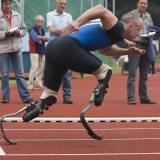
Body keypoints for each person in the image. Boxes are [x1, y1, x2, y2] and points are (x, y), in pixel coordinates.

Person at [23, 4, 145, 122]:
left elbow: (105, 50)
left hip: (53, 48)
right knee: (105, 71)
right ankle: (100, 88)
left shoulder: (115, 33)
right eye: (138, 29)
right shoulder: (118, 26)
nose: (139, 34)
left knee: (50, 95)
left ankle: (36, 107)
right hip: (68, 45)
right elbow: (100, 9)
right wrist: (76, 22)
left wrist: (127, 51)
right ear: (130, 27)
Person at [0, 0, 32, 103]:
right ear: (2, 5)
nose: (8, 6)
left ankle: (25, 97)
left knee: (20, 74)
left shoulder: (17, 15)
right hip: (3, 49)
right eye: (5, 4)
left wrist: (19, 32)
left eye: (9, 4)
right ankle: (5, 96)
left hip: (17, 48)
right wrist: (6, 34)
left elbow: (24, 30)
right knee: (5, 74)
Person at [126, 0, 156, 105]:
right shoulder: (131, 15)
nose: (143, 5)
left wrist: (152, 32)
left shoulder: (148, 15)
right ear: (137, 4)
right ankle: (131, 97)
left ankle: (144, 97)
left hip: (146, 45)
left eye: (145, 3)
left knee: (144, 75)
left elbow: (151, 28)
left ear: (147, 5)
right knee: (132, 73)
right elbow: (123, 29)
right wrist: (128, 40)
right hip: (135, 44)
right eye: (141, 3)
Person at [46, 0, 73, 104]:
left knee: (67, 73)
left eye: (64, 4)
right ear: (56, 4)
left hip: (66, 46)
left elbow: (71, 29)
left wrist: (60, 31)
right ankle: (49, 95)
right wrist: (63, 31)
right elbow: (51, 29)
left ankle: (67, 95)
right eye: (61, 4)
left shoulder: (69, 16)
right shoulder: (50, 15)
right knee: (51, 71)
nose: (63, 6)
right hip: (53, 47)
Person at [28, 15, 47, 90]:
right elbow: (35, 38)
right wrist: (42, 38)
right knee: (34, 67)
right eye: (39, 21)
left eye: (42, 21)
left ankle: (38, 83)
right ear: (35, 21)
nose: (40, 22)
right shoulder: (31, 29)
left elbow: (47, 38)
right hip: (34, 51)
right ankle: (30, 83)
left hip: (42, 50)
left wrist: (41, 38)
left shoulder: (42, 30)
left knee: (41, 67)